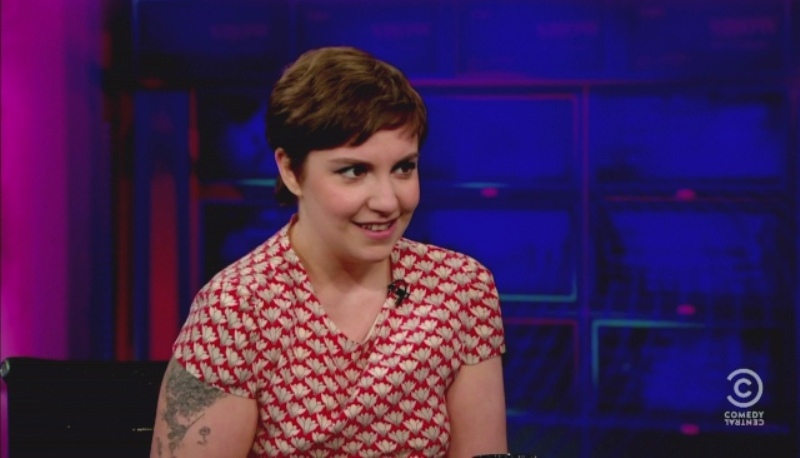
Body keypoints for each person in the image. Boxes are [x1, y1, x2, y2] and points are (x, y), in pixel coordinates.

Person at [150, 46, 508, 458]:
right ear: (290, 170)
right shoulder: (236, 309)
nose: (388, 201)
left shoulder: (459, 288)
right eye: (354, 171)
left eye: (403, 168)